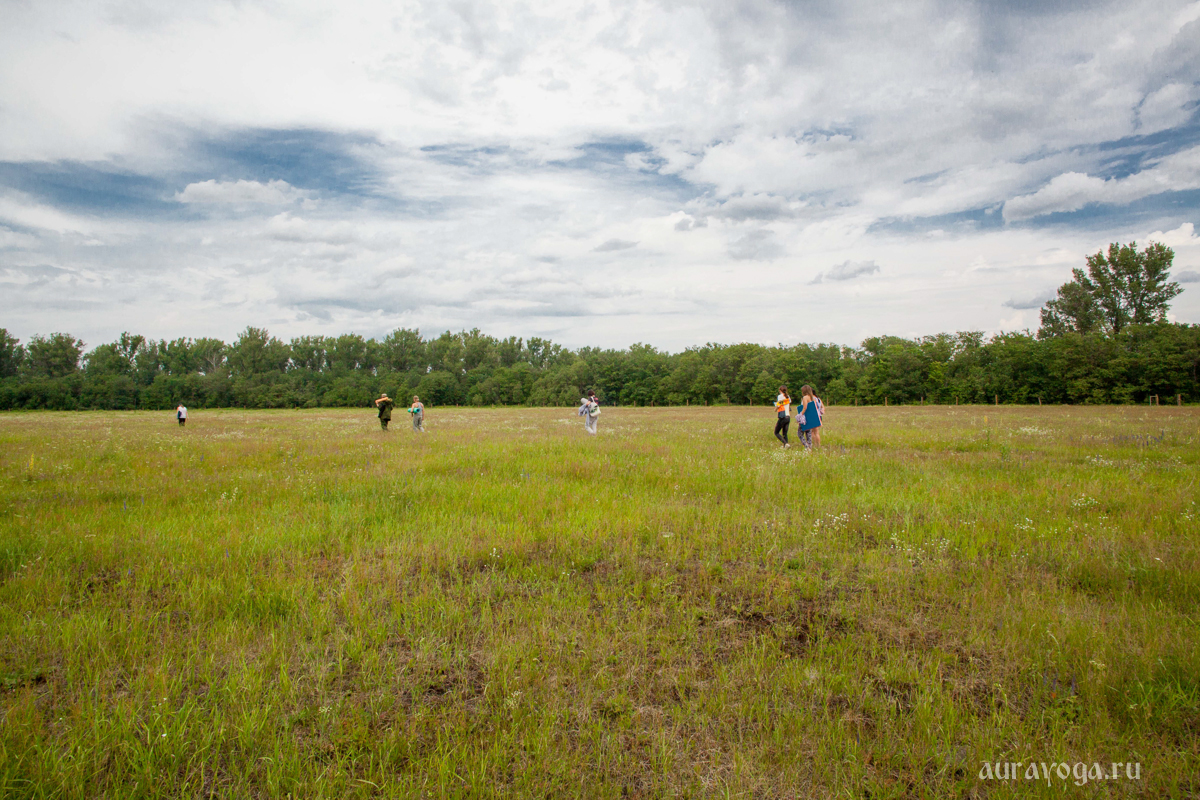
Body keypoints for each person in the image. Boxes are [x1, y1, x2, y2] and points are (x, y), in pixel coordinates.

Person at [796, 384, 821, 449]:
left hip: (805, 418)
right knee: (808, 434)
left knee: (800, 433)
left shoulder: (805, 397)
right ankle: (810, 447)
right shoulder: (813, 398)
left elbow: (805, 407)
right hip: (810, 418)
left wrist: (800, 415)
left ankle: (806, 446)